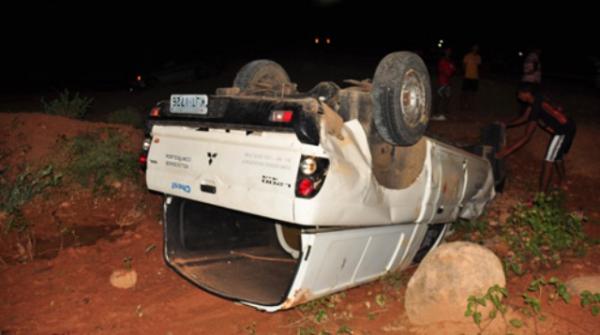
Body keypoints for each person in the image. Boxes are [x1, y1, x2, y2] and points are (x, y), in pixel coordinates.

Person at [495, 83, 576, 192]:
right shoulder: (534, 103)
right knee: (557, 157)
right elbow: (524, 118)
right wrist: (506, 124)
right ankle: (563, 181)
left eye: (519, 94)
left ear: (527, 94)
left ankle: (541, 196)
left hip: (563, 131)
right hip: (566, 128)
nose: (518, 96)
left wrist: (505, 152)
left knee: (548, 160)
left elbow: (527, 136)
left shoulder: (540, 104)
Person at [432, 47, 456, 121]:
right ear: (445, 52)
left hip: (448, 81)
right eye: (447, 51)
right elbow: (441, 70)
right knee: (439, 96)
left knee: (447, 97)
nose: (448, 52)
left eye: (449, 51)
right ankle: (435, 111)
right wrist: (447, 72)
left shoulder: (450, 61)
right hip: (442, 81)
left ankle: (445, 110)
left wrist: (449, 73)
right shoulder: (442, 60)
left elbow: (453, 70)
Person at [460, 45, 482, 111]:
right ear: (472, 48)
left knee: (473, 93)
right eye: (474, 47)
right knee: (464, 92)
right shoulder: (467, 56)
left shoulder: (479, 57)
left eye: (477, 48)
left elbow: (479, 67)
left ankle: (471, 106)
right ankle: (463, 105)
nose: (475, 49)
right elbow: (463, 65)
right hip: (467, 76)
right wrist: (464, 72)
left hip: (475, 77)